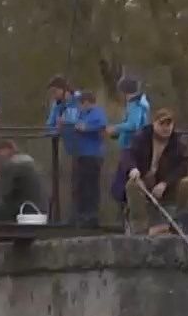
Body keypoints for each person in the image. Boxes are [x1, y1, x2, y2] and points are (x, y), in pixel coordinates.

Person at [123, 108, 188, 236]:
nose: (165, 128)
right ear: (154, 124)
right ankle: (139, 228)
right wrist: (133, 169)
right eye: (161, 124)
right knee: (132, 185)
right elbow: (128, 154)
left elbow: (185, 165)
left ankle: (178, 222)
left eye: (168, 124)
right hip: (144, 182)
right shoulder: (142, 137)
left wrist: (165, 183)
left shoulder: (178, 143)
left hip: (167, 186)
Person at [108, 76, 151, 223]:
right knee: (124, 185)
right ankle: (126, 216)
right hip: (132, 145)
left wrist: (116, 128)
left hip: (130, 148)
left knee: (121, 186)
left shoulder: (135, 105)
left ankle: (126, 217)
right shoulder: (141, 104)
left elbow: (132, 125)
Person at [64, 89, 108, 229]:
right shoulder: (82, 113)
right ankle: (79, 215)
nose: (79, 107)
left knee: (91, 187)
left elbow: (101, 125)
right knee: (80, 186)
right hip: (81, 154)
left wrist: (86, 127)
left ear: (87, 103)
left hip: (92, 155)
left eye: (81, 104)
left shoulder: (97, 113)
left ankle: (91, 216)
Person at [0, 138, 46, 222]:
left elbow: (6, 194)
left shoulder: (11, 166)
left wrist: (0, 179)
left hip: (23, 207)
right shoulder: (28, 162)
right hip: (39, 207)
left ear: (6, 150)